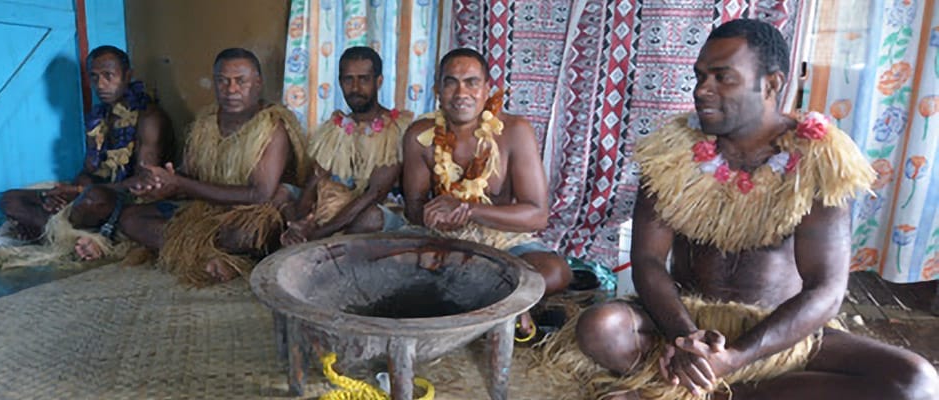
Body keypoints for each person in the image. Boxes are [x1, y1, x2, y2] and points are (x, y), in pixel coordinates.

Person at [553, 19, 938, 400]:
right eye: (700, 76)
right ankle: (711, 383)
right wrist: (685, 337)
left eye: (723, 77)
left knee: (916, 382)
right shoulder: (669, 154)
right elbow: (648, 259)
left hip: (776, 336)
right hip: (681, 324)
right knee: (602, 327)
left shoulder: (820, 162)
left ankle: (692, 390)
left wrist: (734, 358)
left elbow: (826, 289)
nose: (702, 90)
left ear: (771, 84)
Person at [402, 48, 573, 336]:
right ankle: (503, 303)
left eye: (471, 82)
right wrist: (432, 217)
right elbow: (413, 208)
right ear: (437, 90)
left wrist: (469, 210)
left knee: (555, 272)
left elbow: (537, 216)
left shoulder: (515, 131)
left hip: (504, 241)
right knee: (392, 261)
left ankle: (484, 300)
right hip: (444, 240)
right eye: (451, 82)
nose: (461, 93)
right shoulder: (420, 135)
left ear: (486, 90)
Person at [113, 48, 308, 286]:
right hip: (205, 211)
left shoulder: (272, 127)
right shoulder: (205, 122)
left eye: (240, 81)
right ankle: (210, 256)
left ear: (258, 83)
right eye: (222, 81)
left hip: (251, 214)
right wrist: (162, 184)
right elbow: (188, 175)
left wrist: (181, 184)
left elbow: (259, 195)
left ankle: (203, 253)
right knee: (131, 218)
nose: (231, 90)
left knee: (249, 234)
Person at [0, 45, 173, 253]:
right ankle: (71, 237)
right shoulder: (99, 117)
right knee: (10, 199)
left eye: (109, 76)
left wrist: (79, 192)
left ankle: (57, 234)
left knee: (92, 200)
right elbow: (88, 172)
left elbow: (143, 184)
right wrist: (63, 196)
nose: (100, 85)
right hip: (92, 196)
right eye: (94, 77)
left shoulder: (149, 118)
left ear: (128, 76)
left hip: (127, 204)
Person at [280, 46, 412, 246]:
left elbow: (373, 195)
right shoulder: (336, 128)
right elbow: (313, 182)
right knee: (282, 193)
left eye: (364, 79)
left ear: (379, 81)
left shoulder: (395, 129)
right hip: (333, 205)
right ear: (340, 82)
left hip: (379, 211)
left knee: (370, 217)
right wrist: (298, 223)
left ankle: (327, 247)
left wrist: (316, 234)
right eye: (348, 79)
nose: (356, 88)